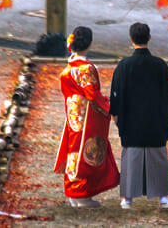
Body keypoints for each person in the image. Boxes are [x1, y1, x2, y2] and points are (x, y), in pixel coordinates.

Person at [109, 22, 168, 210]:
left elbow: (115, 95)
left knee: (131, 157)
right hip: (155, 122)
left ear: (131, 39)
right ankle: (163, 197)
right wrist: (166, 118)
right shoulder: (159, 65)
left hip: (131, 123)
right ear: (149, 38)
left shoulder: (124, 66)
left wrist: (117, 117)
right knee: (157, 156)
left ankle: (127, 198)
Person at [53, 26, 120, 208]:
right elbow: (93, 94)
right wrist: (109, 108)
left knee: (74, 147)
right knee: (88, 149)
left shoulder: (68, 69)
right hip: (87, 114)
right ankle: (81, 194)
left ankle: (74, 192)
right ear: (89, 44)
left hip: (73, 112)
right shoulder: (86, 68)